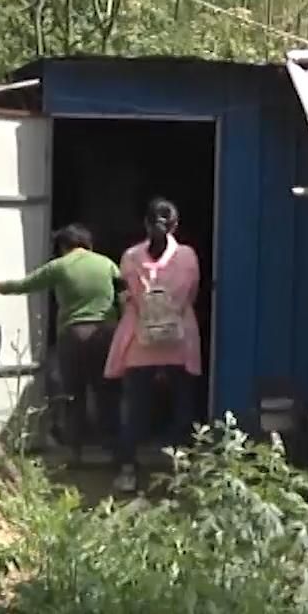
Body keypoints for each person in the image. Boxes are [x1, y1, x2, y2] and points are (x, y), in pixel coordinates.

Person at [0, 224, 121, 464]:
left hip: (73, 335)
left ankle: (75, 454)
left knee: (73, 396)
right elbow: (125, 294)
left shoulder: (60, 266)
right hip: (105, 334)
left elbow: (23, 285)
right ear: (88, 244)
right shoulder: (107, 264)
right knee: (107, 393)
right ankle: (115, 453)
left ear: (64, 246)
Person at [104, 198, 202, 493]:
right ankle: (180, 473)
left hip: (140, 342)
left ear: (146, 224)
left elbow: (125, 296)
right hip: (179, 340)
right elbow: (192, 294)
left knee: (135, 409)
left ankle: (128, 471)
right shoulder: (187, 256)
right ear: (175, 225)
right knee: (182, 407)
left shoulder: (130, 256)